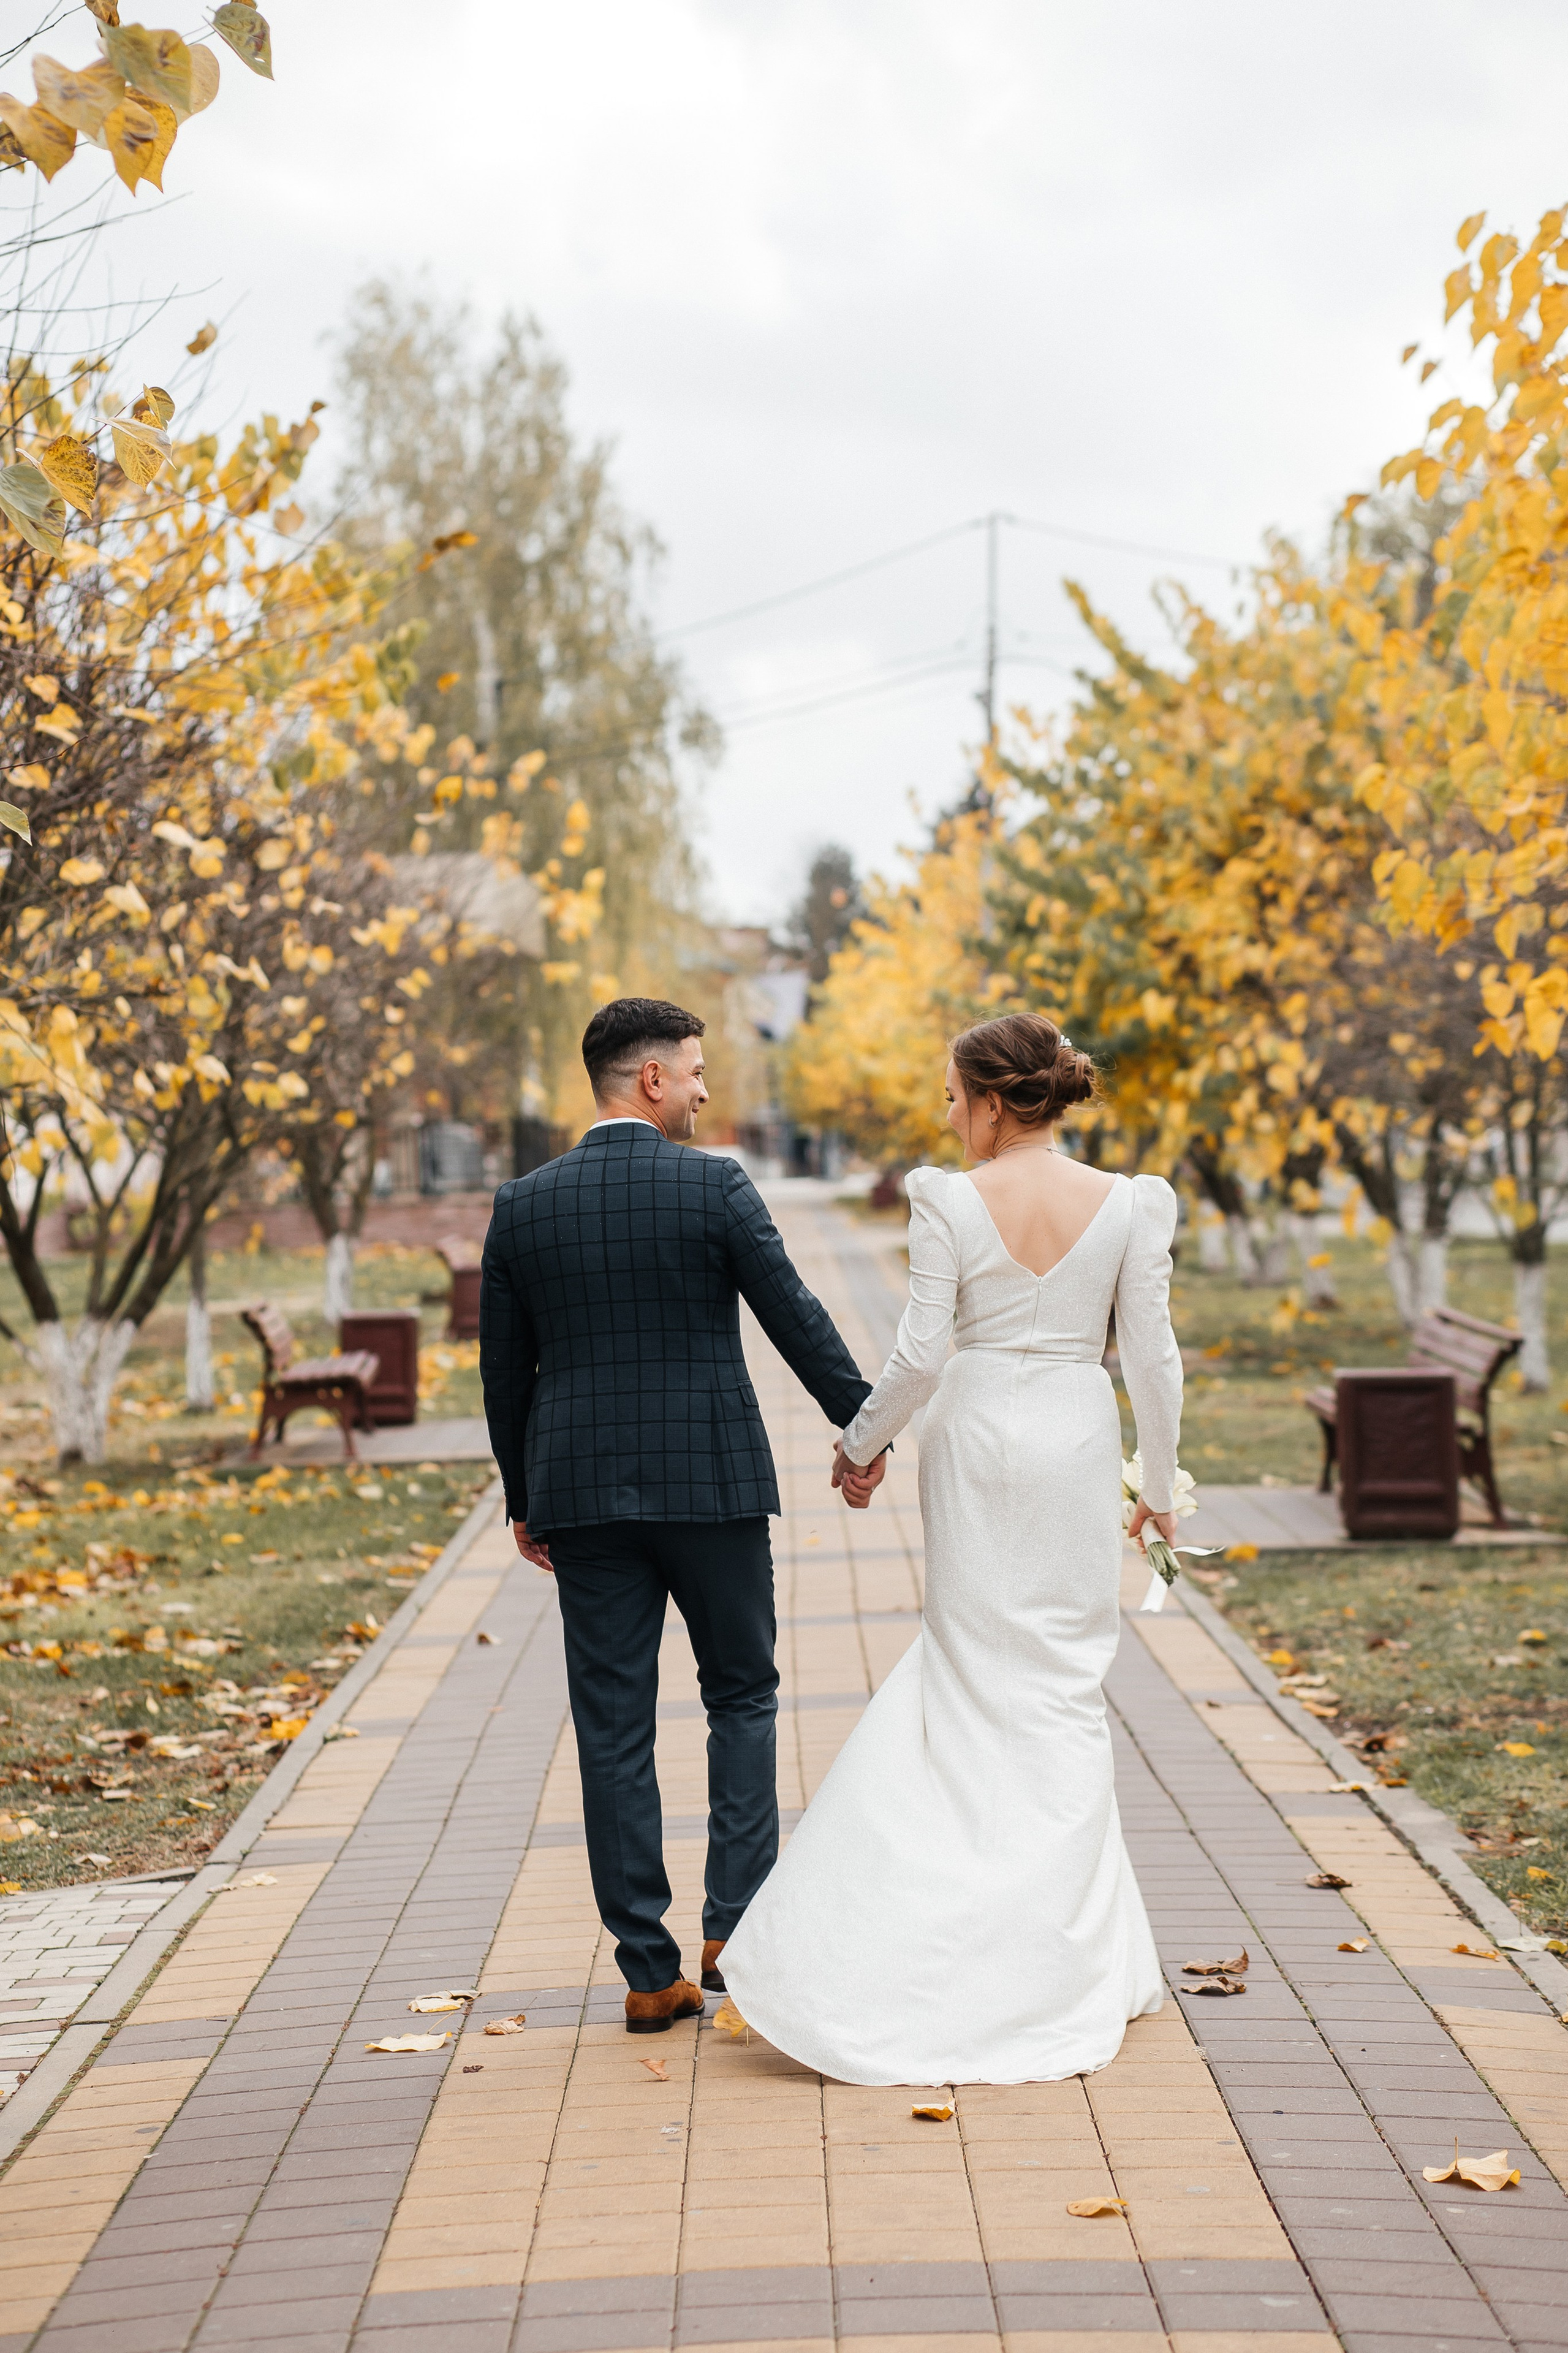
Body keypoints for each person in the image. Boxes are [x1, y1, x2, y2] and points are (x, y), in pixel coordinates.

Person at [719, 1010, 1181, 2085]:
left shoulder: (949, 1199)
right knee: (1064, 1684)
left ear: (990, 1101)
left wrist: (860, 1443)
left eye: (953, 1098)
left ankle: (943, 1925)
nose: (948, 1117)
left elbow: (921, 1354)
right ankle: (1061, 1953)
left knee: (970, 1674)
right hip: (1074, 1437)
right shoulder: (1131, 1203)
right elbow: (1152, 1360)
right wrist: (1160, 1493)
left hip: (975, 1441)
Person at [478, 997, 884, 2032]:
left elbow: (504, 1374)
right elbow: (794, 1315)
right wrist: (863, 1429)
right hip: (712, 1485)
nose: (706, 1091)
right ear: (651, 1079)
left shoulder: (522, 1205)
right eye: (697, 1072)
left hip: (581, 1499)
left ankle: (648, 1973)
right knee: (741, 1696)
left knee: (613, 1725)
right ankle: (733, 1927)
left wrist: (526, 1499)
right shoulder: (713, 1187)